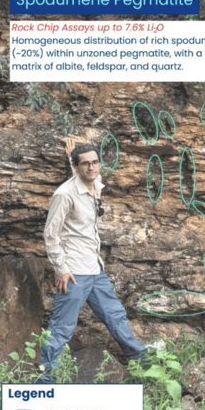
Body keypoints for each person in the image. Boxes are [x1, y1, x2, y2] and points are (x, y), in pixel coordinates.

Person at [38, 138, 146, 383]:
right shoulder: (64, 195)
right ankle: (45, 381)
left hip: (95, 268)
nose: (91, 167)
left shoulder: (94, 184)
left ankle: (140, 358)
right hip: (74, 272)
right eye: (84, 164)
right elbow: (50, 234)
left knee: (114, 314)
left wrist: (73, 157)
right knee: (62, 327)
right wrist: (61, 269)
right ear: (77, 167)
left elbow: (87, 176)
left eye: (95, 162)